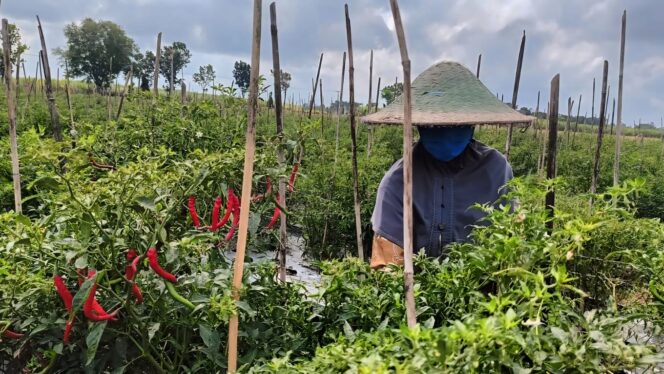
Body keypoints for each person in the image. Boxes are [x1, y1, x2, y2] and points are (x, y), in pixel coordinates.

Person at [360, 61, 531, 269]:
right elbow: (387, 266)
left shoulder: (496, 170)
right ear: (419, 126)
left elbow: (513, 250)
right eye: (435, 126)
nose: (445, 132)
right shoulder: (398, 181)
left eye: (454, 125)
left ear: (471, 124)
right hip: (417, 294)